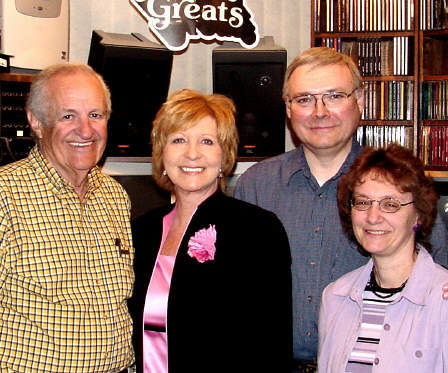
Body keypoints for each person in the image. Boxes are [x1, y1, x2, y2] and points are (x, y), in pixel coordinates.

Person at [233, 46, 448, 369]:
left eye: (334, 96)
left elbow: (439, 275)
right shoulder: (255, 186)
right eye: (304, 99)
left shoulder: (398, 187)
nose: (320, 111)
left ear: (359, 101)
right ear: (288, 110)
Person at [128, 89, 292, 373]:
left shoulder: (258, 230)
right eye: (178, 140)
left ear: (224, 155)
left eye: (207, 141)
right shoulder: (142, 231)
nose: (192, 153)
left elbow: (272, 347)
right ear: (162, 153)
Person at [0, 63, 134, 372]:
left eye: (95, 115)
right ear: (36, 121)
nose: (85, 131)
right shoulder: (6, 196)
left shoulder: (115, 197)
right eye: (68, 116)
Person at [318, 144, 448, 372]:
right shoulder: (335, 297)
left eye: (390, 204)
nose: (373, 217)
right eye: (363, 202)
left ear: (418, 214)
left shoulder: (442, 300)